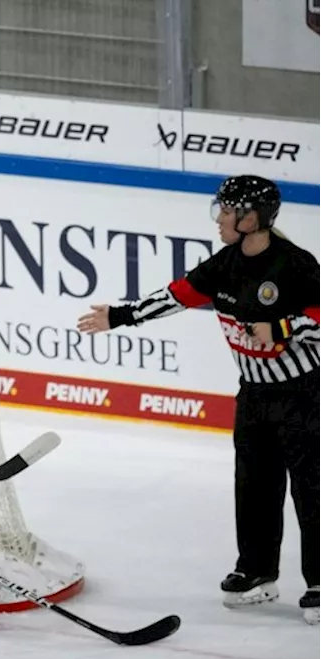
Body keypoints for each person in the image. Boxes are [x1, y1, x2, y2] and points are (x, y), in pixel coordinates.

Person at [78, 175, 321, 625]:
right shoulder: (225, 264)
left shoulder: (295, 266)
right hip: (254, 395)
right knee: (254, 486)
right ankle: (256, 572)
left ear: (252, 218)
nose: (219, 220)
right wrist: (120, 316)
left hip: (304, 396)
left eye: (226, 212)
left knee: (313, 490)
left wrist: (283, 329)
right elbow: (177, 296)